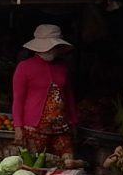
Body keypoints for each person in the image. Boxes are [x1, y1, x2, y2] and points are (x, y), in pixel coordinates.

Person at [12, 24, 77, 158]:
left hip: (60, 127)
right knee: (35, 164)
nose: (48, 51)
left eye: (53, 48)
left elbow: (69, 96)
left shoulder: (62, 67)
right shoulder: (24, 67)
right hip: (33, 128)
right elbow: (18, 99)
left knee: (67, 162)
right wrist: (18, 127)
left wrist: (73, 121)